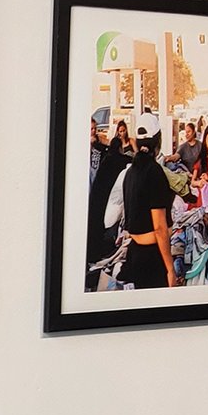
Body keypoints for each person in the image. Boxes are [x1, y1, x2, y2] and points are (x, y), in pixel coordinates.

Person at [119, 113, 177, 288]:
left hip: (136, 254)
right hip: (152, 257)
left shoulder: (130, 172)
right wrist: (170, 269)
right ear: (158, 141)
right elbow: (159, 228)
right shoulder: (154, 172)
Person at [87, 110, 130, 291]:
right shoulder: (89, 153)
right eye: (90, 129)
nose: (93, 132)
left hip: (95, 200)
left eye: (94, 129)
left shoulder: (100, 153)